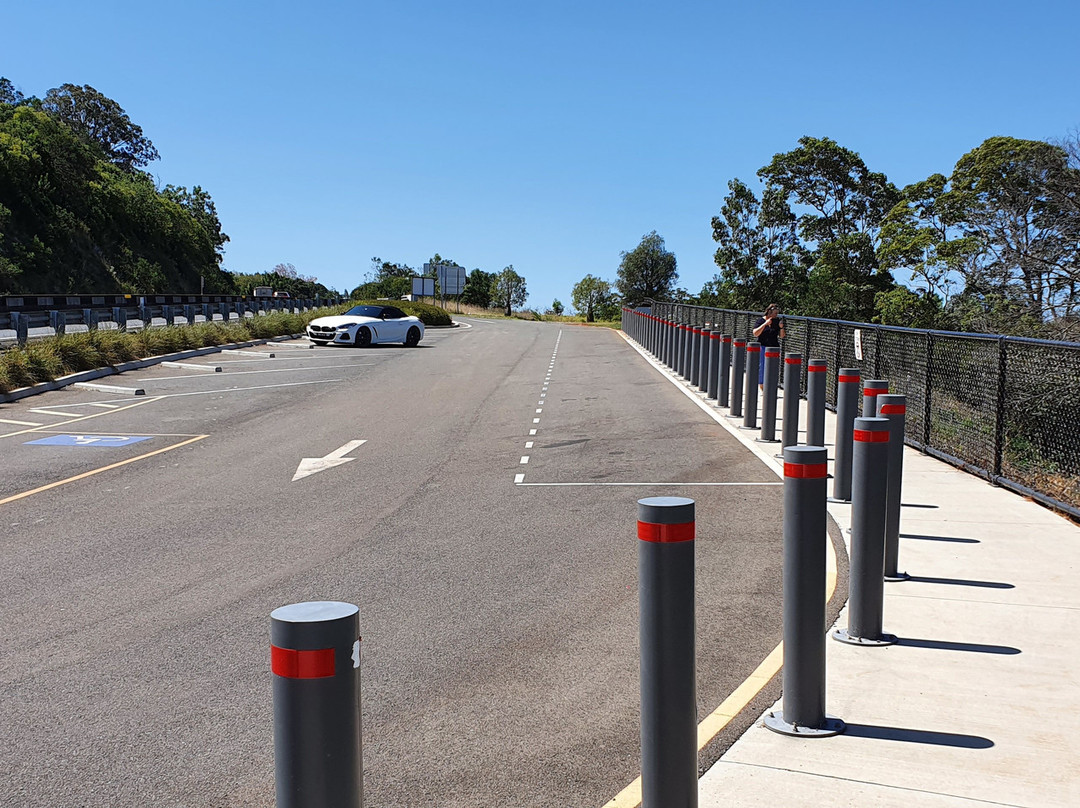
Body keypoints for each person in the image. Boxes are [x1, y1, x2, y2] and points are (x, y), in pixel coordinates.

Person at [752, 303, 785, 389]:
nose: (776, 315)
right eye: (775, 313)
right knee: (762, 366)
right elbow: (755, 333)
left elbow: (782, 336)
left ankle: (772, 385)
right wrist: (765, 324)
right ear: (769, 312)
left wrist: (781, 327)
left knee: (773, 367)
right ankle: (762, 384)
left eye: (777, 313)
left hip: (774, 347)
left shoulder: (777, 321)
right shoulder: (761, 321)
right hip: (763, 346)